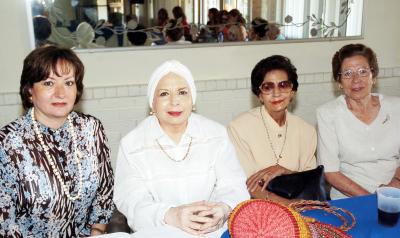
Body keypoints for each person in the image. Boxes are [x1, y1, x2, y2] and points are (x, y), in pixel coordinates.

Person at [114, 60, 249, 236]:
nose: (174, 101)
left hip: (213, 231)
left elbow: (234, 185)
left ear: (192, 99)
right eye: (164, 94)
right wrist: (171, 215)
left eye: (182, 92)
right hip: (159, 231)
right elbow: (131, 201)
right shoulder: (132, 144)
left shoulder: (216, 135)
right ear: (152, 103)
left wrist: (223, 208)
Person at [0, 46, 114, 237]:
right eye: (49, 83)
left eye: (69, 83)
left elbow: (105, 189)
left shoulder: (91, 128)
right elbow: (5, 220)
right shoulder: (8, 143)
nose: (61, 93)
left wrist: (97, 231)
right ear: (29, 90)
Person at [228, 55, 317, 204]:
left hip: (300, 205)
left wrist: (283, 171)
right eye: (268, 87)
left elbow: (309, 181)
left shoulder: (307, 131)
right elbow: (248, 186)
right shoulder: (239, 128)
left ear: (293, 91)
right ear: (260, 95)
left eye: (283, 85)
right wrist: (288, 205)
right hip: (257, 210)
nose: (276, 93)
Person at [317, 43, 400, 199]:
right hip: (350, 198)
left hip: (395, 192)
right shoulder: (328, 114)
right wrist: (371, 199)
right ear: (339, 82)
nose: (356, 80)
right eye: (347, 73)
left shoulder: (396, 107)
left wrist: (394, 183)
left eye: (363, 71)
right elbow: (330, 172)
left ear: (373, 76)